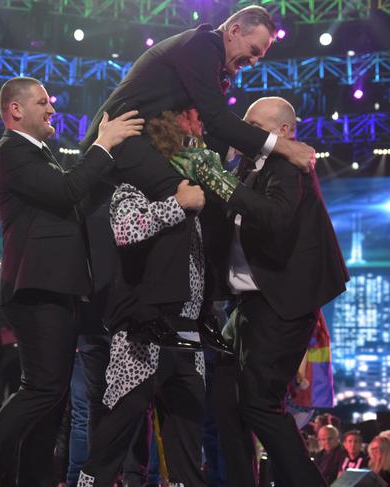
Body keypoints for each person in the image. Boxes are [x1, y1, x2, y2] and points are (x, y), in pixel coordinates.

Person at [81, 6, 316, 348]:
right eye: (254, 51)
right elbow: (218, 119)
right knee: (184, 197)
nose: (254, 62)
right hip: (121, 139)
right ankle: (150, 314)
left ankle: (203, 311)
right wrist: (281, 146)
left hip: (144, 144)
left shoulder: (211, 60)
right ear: (234, 30)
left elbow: (213, 128)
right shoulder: (201, 46)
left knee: (213, 206)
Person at [0, 76, 143, 487]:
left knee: (53, 396)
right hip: (37, 287)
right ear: (16, 110)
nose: (52, 109)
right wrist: (104, 143)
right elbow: (67, 191)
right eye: (43, 102)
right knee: (42, 389)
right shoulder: (12, 150)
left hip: (56, 287)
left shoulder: (40, 153)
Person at [175, 97, 348, 487]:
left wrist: (222, 182)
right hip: (249, 306)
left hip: (281, 305)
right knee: (225, 400)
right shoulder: (255, 168)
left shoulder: (288, 165)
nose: (245, 132)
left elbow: (274, 218)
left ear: (284, 132)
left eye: (255, 125)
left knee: (258, 402)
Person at [78, 109, 208, 487]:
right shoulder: (133, 188)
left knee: (187, 438)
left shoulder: (193, 194)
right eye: (185, 142)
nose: (194, 149)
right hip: (144, 329)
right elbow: (127, 229)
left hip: (188, 331)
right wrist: (177, 204)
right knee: (116, 432)